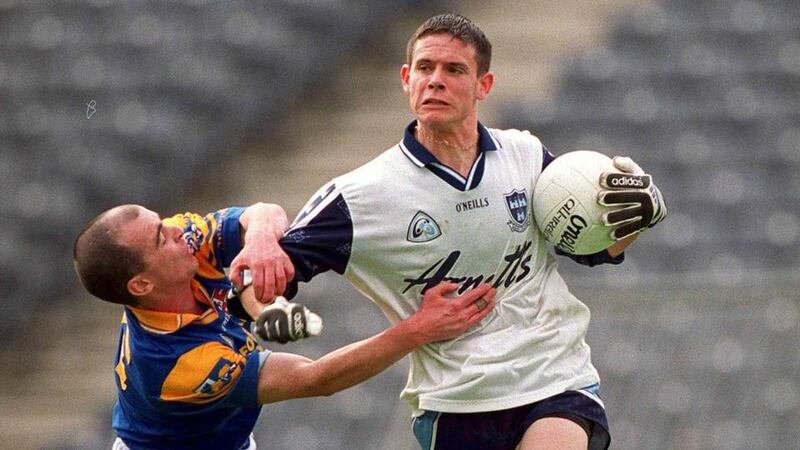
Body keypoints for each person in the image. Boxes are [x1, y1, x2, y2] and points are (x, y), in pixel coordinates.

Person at [261, 13, 666, 450]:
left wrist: (632, 221)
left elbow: (590, 247)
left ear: (483, 85)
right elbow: (269, 275)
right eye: (424, 68)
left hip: (554, 377)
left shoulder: (525, 155)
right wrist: (260, 235)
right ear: (405, 78)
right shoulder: (358, 197)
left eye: (454, 70)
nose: (435, 81)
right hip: (456, 401)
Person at [72, 202, 496, 450]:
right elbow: (318, 379)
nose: (177, 231)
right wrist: (418, 328)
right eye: (159, 238)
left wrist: (258, 246)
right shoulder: (177, 366)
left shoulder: (179, 252)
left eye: (162, 222)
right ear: (141, 284)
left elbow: (263, 212)